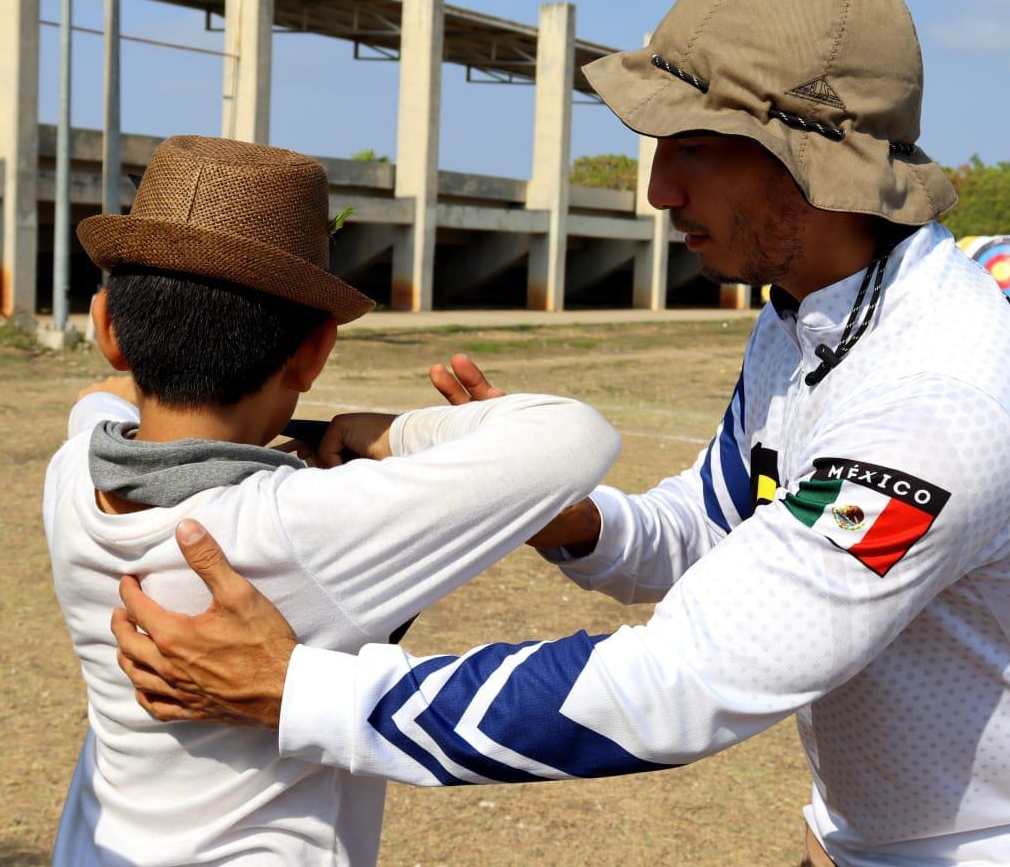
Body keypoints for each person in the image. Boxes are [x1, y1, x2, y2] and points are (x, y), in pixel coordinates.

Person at [111, 0, 1010, 865]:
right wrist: (539, 505)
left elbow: (682, 679)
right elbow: (709, 533)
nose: (659, 190)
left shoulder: (940, 399)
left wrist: (305, 694)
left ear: (814, 160)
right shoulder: (809, 319)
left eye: (694, 147)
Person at [46, 135, 620, 865]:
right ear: (316, 352)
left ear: (108, 331)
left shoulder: (71, 472)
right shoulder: (292, 526)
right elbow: (575, 435)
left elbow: (98, 403)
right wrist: (390, 436)